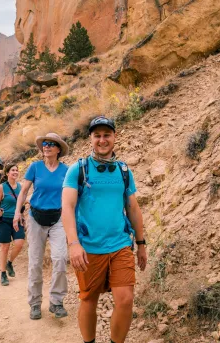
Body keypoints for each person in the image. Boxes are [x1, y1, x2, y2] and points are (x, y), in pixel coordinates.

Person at [61, 116, 147, 343]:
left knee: (126, 299)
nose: (102, 140)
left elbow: (133, 208)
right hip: (89, 248)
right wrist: (73, 243)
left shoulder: (124, 171)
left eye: (106, 135)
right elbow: (67, 208)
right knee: (89, 299)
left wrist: (141, 244)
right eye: (97, 135)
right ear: (90, 138)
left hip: (120, 245)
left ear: (114, 137)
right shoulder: (77, 170)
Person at [13, 132, 70, 320]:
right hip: (36, 218)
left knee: (60, 258)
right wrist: (16, 213)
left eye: (51, 144)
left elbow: (72, 195)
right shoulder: (35, 167)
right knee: (35, 263)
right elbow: (23, 192)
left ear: (58, 149)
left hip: (58, 219)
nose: (46, 146)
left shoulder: (66, 170)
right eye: (44, 143)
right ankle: (35, 303)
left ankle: (56, 302)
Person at [0, 164, 25, 286]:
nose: (15, 172)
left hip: (17, 220)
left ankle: (9, 263)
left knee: (19, 243)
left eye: (17, 170)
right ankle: (3, 273)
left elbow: (22, 201)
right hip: (4, 220)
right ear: (7, 173)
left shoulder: (21, 187)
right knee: (5, 247)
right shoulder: (2, 187)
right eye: (13, 170)